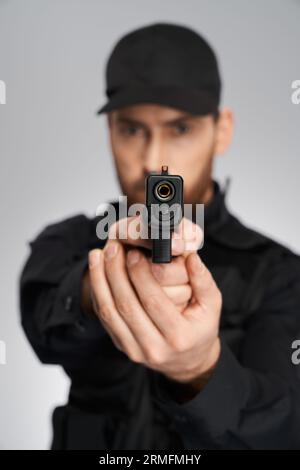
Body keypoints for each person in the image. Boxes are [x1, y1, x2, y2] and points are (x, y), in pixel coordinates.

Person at [19, 22, 300, 450]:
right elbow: (42, 321)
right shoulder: (72, 242)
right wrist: (100, 289)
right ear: (109, 129)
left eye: (180, 129)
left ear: (221, 129)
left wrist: (199, 368)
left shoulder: (281, 273)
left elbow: (285, 425)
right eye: (132, 129)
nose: (154, 161)